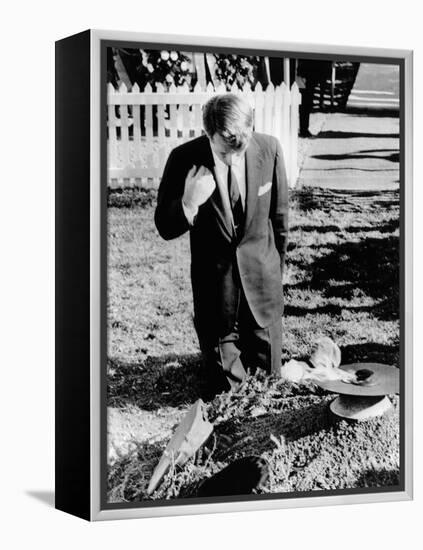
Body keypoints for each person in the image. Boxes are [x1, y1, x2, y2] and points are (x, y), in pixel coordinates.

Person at [155, 93, 289, 397]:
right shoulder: (183, 159)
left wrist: (274, 276)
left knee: (270, 387)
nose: (233, 159)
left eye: (239, 151)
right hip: (216, 296)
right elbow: (164, 226)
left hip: (263, 289)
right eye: (224, 152)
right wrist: (189, 202)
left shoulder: (269, 149)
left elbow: (279, 219)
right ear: (207, 133)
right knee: (227, 394)